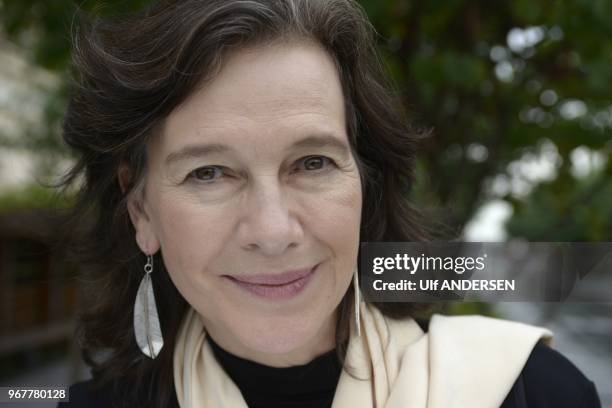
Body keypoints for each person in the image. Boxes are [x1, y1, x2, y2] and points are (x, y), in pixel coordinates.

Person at [56, 0, 601, 407]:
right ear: (141, 211)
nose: (273, 231)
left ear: (365, 183)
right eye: (209, 173)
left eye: (312, 162)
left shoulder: (534, 392)